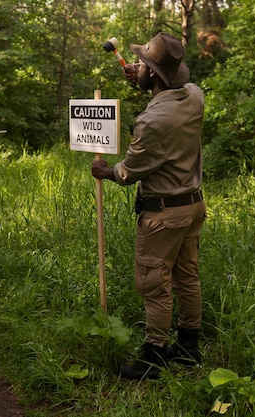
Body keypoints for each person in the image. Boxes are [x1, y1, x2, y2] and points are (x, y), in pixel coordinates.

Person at [91, 33, 206, 380]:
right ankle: (188, 346)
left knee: (154, 283)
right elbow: (168, 96)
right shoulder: (195, 97)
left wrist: (106, 171)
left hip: (163, 216)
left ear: (155, 75)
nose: (137, 65)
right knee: (187, 276)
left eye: (143, 63)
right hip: (193, 207)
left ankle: (155, 355)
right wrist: (146, 80)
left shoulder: (151, 122)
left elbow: (130, 171)